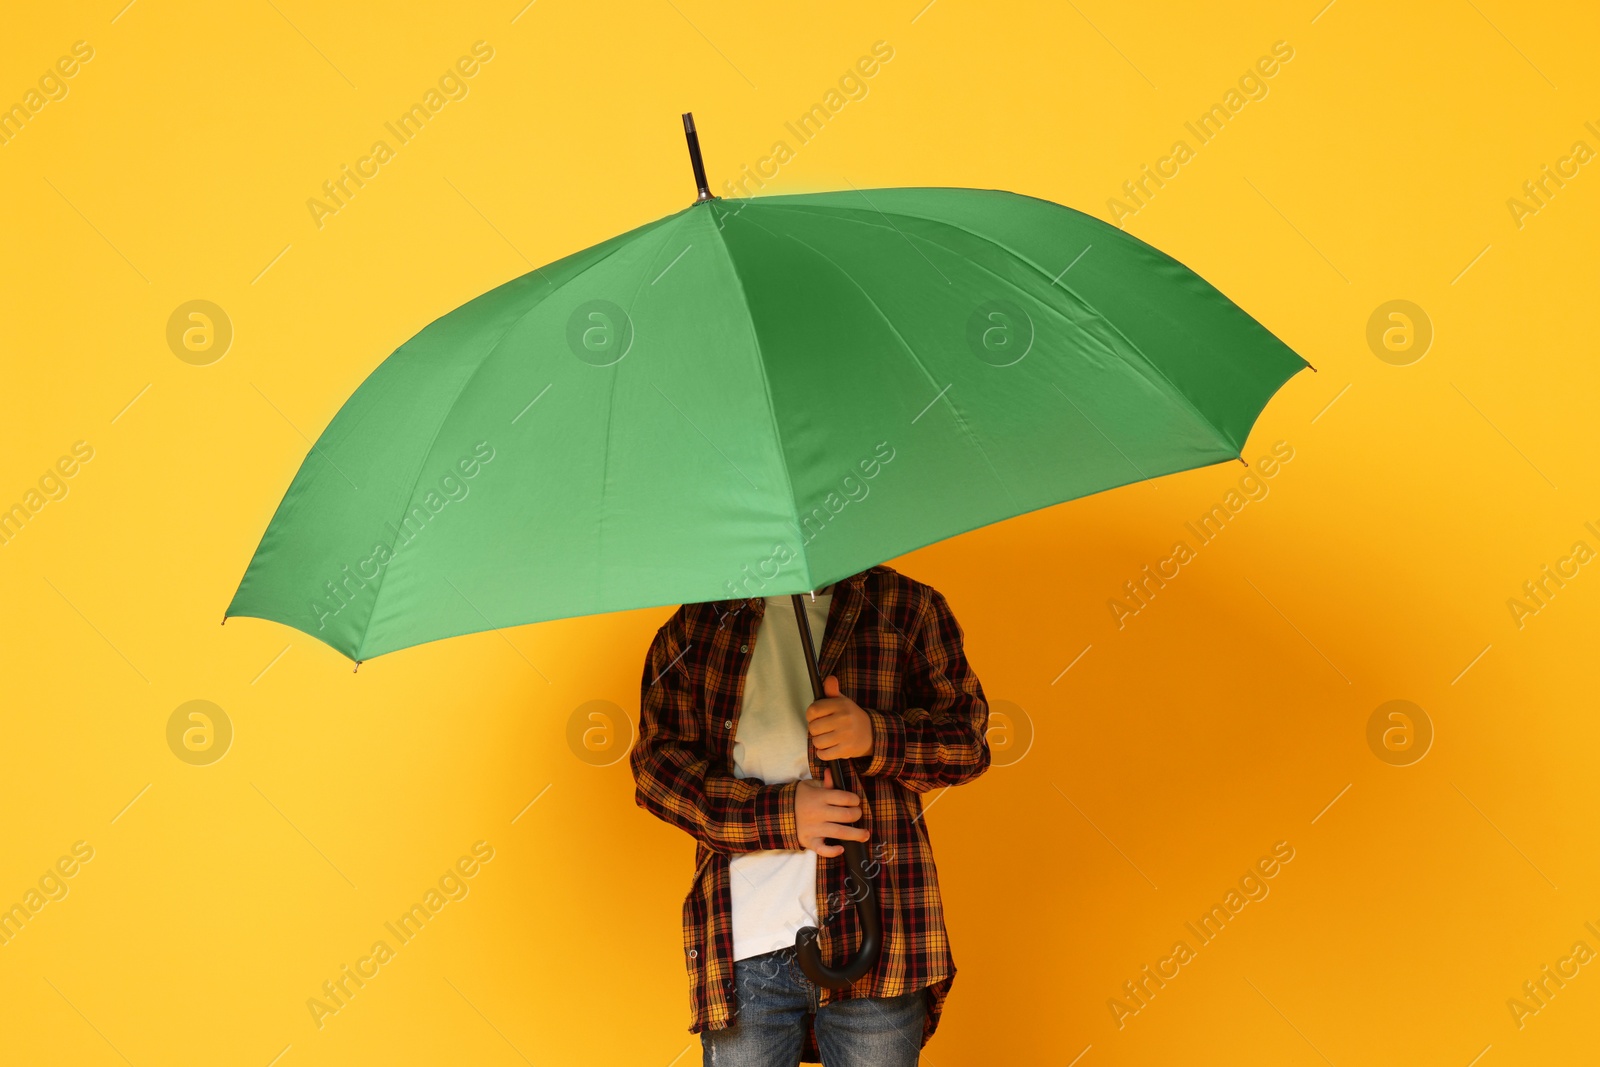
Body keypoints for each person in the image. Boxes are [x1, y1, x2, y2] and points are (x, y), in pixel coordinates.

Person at [632, 564, 991, 1066]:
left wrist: (876, 735)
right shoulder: (698, 625)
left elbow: (968, 744)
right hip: (745, 945)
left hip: (880, 932)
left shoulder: (908, 607)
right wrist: (779, 815)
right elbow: (656, 768)